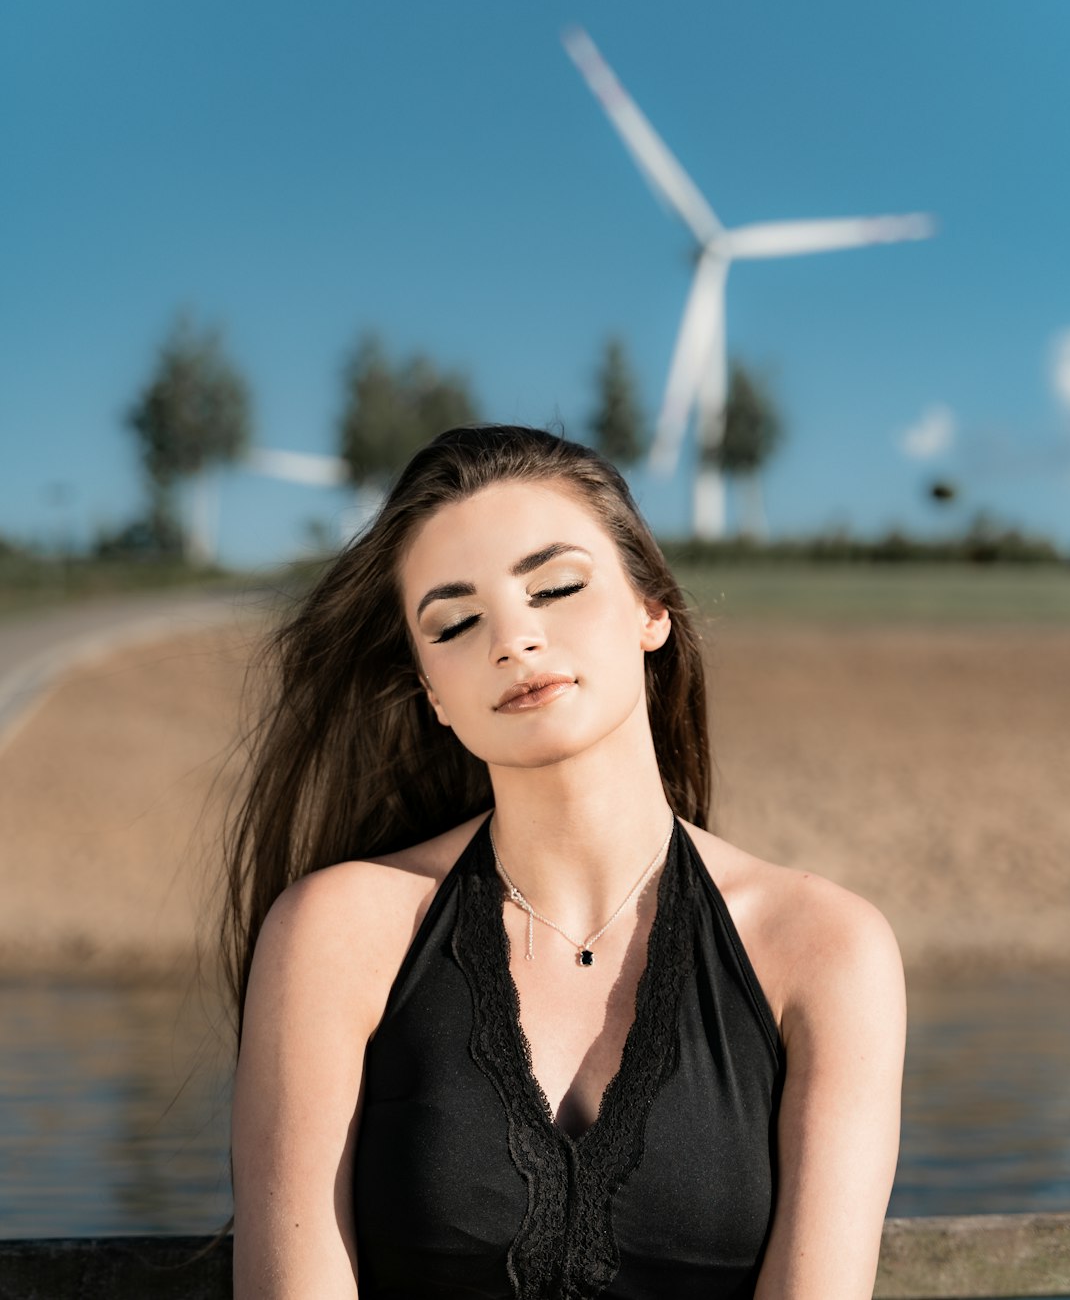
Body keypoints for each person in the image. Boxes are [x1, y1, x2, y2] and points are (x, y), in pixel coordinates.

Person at [226, 424, 906, 1300]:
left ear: (650, 609)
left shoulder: (824, 949)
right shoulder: (338, 934)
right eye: (457, 622)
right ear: (433, 691)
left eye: (555, 586)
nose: (514, 639)